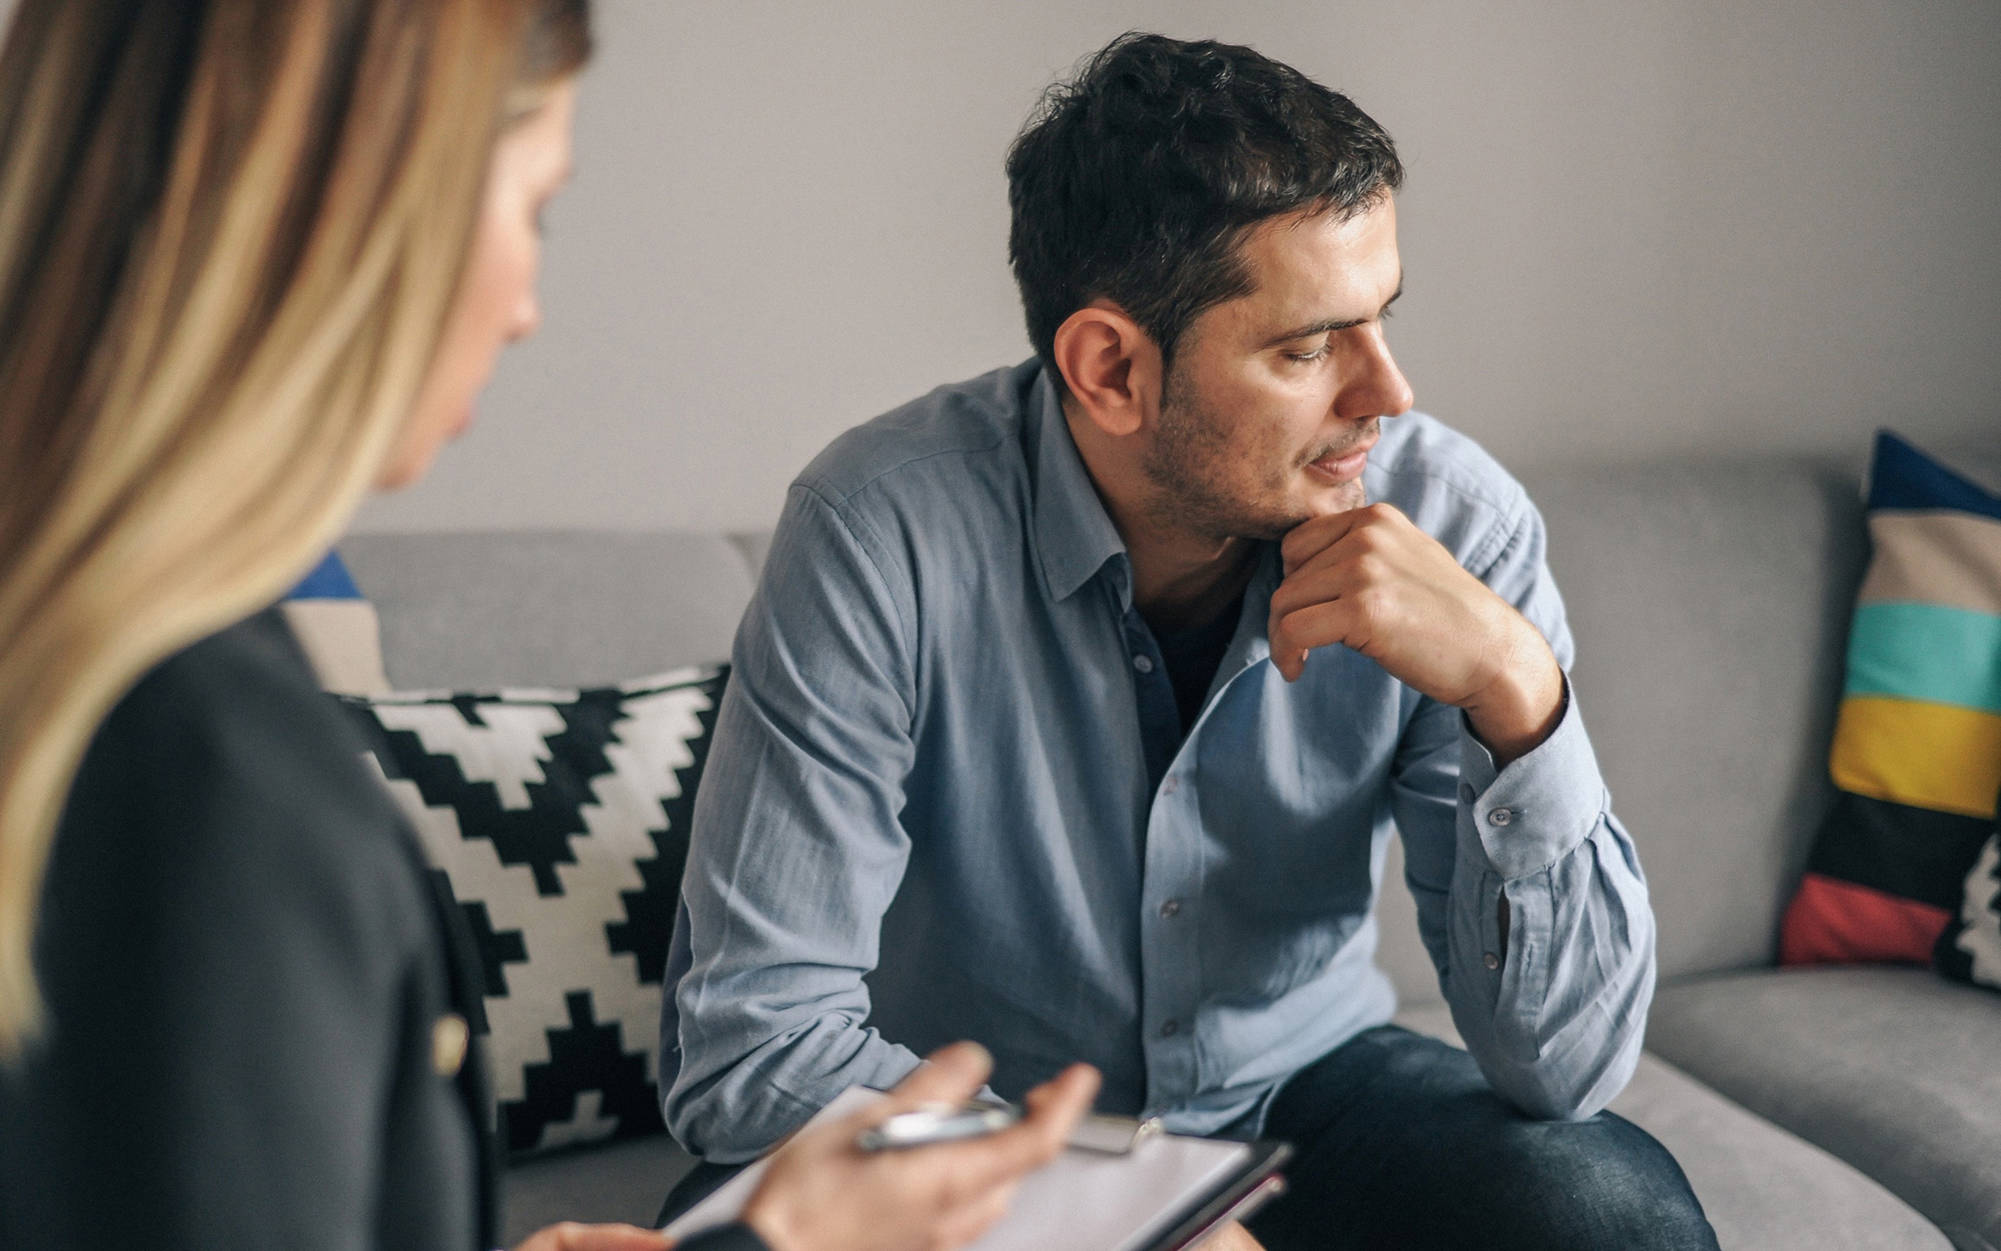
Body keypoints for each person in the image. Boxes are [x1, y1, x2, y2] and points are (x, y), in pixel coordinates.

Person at [0, 2, 1098, 1249]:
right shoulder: (206, 770)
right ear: (347, 212)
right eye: (532, 208)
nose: (527, 305)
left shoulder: (101, 673)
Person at [662, 32, 1721, 1250]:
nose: (1390, 393)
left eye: (1381, 320)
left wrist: (1519, 694)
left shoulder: (1456, 525)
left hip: (1299, 1095)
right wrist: (1106, 1212)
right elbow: (751, 1048)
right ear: (1110, 368)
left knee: (1608, 1213)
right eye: (1309, 347)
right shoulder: (878, 531)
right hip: (955, 1130)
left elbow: (1567, 1067)